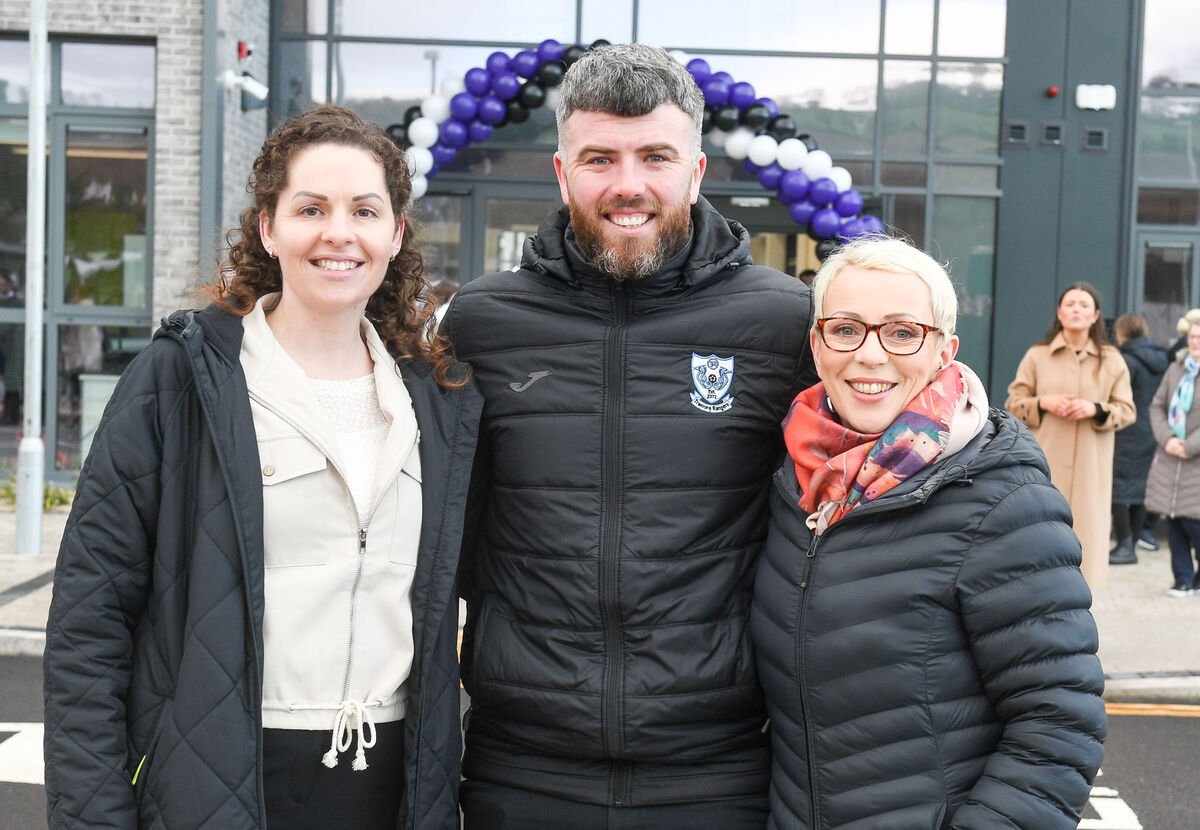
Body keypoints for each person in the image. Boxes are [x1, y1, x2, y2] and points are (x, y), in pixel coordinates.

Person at [43, 105, 481, 830]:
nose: (339, 233)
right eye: (311, 208)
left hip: (395, 786)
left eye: (364, 210)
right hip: (216, 779)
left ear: (394, 234)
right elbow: (90, 629)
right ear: (269, 228)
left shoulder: (438, 403)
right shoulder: (180, 382)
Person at [441, 43, 817, 829]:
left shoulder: (786, 323)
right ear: (560, 170)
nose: (629, 185)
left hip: (718, 768)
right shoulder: (483, 323)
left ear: (698, 170)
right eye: (599, 158)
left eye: (655, 155)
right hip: (523, 764)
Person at [752, 237, 1106, 829]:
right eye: (846, 329)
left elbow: (1059, 724)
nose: (870, 355)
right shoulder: (795, 478)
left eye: (902, 331)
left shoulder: (1004, 500)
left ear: (945, 351)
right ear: (816, 345)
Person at [1005, 283, 1135, 589]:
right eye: (1070, 304)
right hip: (1045, 464)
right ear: (1060, 313)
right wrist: (1043, 403)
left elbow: (1127, 410)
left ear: (1096, 316)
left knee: (1086, 542)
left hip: (1092, 468)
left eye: (1084, 305)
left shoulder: (1112, 359)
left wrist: (1096, 408)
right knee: (1040, 533)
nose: (1076, 309)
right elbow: (1013, 403)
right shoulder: (1037, 356)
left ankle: (1079, 602)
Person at [1145, 318, 1200, 597]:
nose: (1194, 342)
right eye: (1191, 337)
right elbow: (1157, 406)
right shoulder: (1175, 370)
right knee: (1175, 520)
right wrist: (1168, 439)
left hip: (1194, 458)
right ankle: (1182, 579)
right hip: (1170, 457)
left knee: (1195, 523)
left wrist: (1188, 446)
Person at [1109, 312, 1169, 564]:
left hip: (1127, 430)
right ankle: (1132, 541)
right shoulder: (1162, 359)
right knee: (1139, 488)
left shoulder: (1125, 361)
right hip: (1152, 429)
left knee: (1119, 488)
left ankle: (1124, 545)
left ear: (1122, 333)